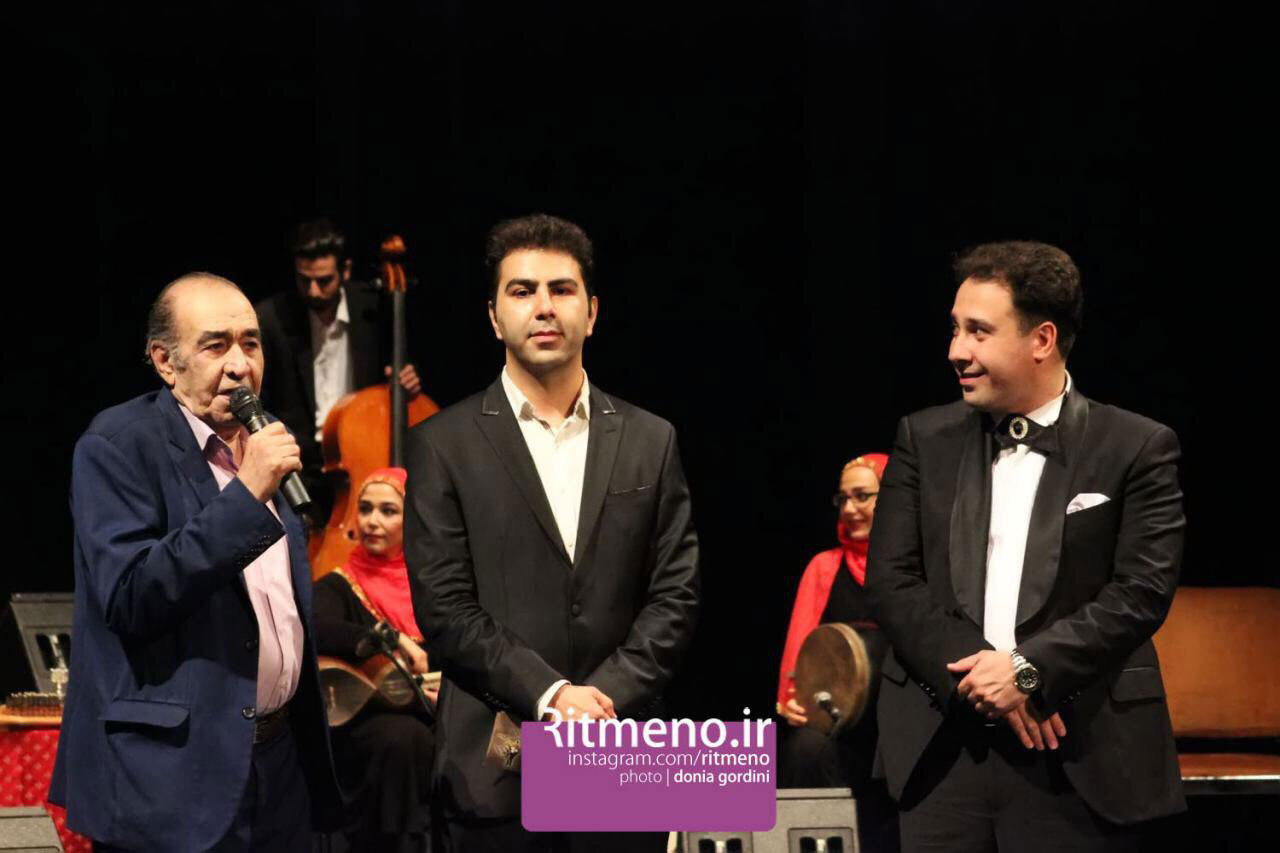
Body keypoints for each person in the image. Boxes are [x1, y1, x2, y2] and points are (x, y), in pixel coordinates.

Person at [866, 241, 1185, 851]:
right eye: (955, 329)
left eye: (979, 331)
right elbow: (891, 581)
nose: (956, 350)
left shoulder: (1136, 446)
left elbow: (1141, 591)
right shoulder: (922, 438)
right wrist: (985, 678)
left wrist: (1028, 670)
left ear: (1042, 340)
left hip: (1078, 746)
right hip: (942, 747)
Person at [404, 213, 700, 852]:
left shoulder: (652, 439)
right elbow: (445, 608)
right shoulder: (441, 444)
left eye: (562, 290)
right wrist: (552, 695)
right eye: (522, 290)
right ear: (493, 317)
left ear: (591, 313)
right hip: (496, 762)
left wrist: (601, 699)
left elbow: (675, 595)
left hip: (623, 752)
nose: (544, 307)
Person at [50, 273, 341, 851]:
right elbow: (132, 597)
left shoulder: (265, 441)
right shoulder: (118, 445)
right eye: (215, 345)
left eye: (251, 343)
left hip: (279, 767)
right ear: (165, 361)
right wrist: (246, 496)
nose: (239, 365)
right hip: (171, 779)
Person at [256, 219, 423, 521]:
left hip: (363, 459)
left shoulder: (373, 308)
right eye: (304, 280)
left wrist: (407, 381)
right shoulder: (272, 319)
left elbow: (397, 371)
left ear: (345, 270)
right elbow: (263, 401)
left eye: (324, 281)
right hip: (301, 467)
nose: (314, 291)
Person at [776, 453, 898, 852]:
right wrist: (793, 701)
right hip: (841, 727)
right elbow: (799, 662)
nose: (849, 508)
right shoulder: (824, 567)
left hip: (899, 725)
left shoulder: (913, 569)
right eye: (843, 498)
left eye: (862, 496)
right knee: (806, 749)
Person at [314, 467, 439, 853]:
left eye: (388, 511)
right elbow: (315, 627)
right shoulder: (338, 584)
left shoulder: (433, 586)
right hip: (370, 720)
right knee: (401, 740)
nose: (371, 521)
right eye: (365, 508)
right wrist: (387, 637)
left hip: (435, 710)